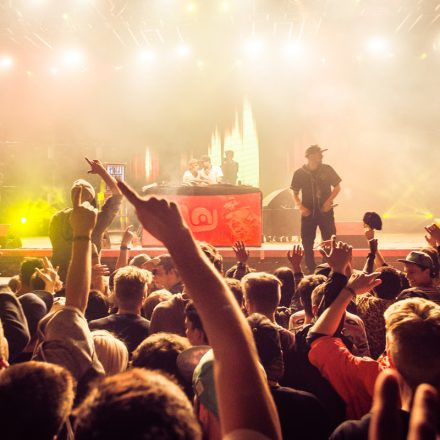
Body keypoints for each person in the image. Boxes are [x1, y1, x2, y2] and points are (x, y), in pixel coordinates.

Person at [49, 158, 123, 281]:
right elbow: (118, 194)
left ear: (72, 197)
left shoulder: (57, 218)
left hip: (59, 280)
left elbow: (59, 253)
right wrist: (102, 171)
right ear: (92, 199)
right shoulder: (96, 220)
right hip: (87, 279)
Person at [290, 145, 341, 273]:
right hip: (308, 212)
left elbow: (337, 187)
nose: (321, 156)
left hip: (325, 211)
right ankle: (311, 269)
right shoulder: (299, 173)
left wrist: (328, 202)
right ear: (310, 156)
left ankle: (327, 267)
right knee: (307, 242)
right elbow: (294, 193)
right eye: (319, 153)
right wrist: (300, 207)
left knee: (329, 240)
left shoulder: (327, 169)